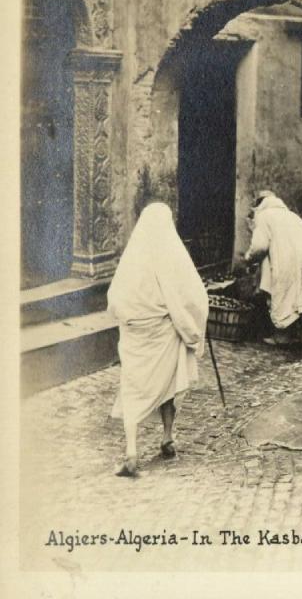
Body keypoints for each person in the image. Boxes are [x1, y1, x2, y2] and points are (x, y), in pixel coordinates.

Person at [107, 201, 208, 477]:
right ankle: (167, 437)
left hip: (135, 335)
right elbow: (191, 295)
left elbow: (114, 300)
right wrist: (194, 323)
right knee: (169, 384)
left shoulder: (133, 256)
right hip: (162, 333)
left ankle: (131, 450)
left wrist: (133, 317)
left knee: (132, 388)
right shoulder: (171, 254)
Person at [244, 191, 302, 350]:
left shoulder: (263, 216)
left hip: (291, 258)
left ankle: (282, 339)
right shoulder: (292, 216)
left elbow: (259, 246)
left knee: (284, 295)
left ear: (259, 205)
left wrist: (248, 257)